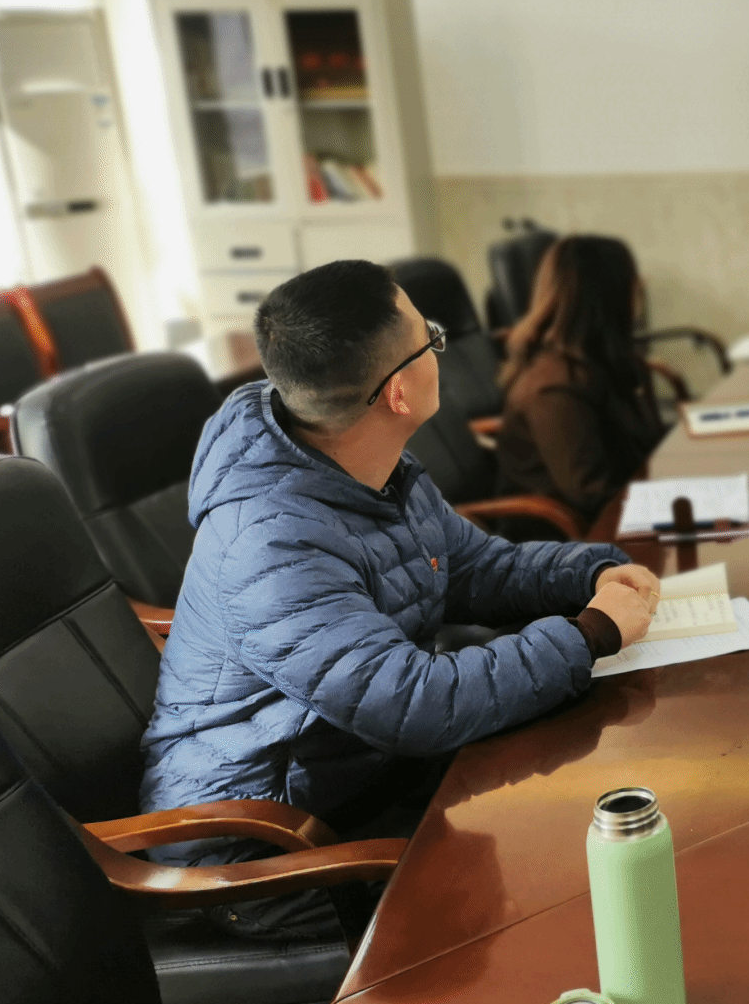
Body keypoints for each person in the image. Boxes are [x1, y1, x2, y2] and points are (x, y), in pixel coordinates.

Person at [139, 261, 659, 872]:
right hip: (263, 848)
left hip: (360, 776)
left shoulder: (368, 466)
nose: (440, 349)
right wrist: (589, 634)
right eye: (430, 339)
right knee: (572, 844)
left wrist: (592, 573)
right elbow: (414, 704)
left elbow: (474, 567)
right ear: (398, 393)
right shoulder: (269, 547)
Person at [496, 235, 670, 527]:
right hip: (567, 537)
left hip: (626, 507)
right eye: (633, 283)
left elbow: (643, 447)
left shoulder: (601, 360)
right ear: (610, 297)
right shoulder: (553, 387)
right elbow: (593, 494)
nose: (639, 291)